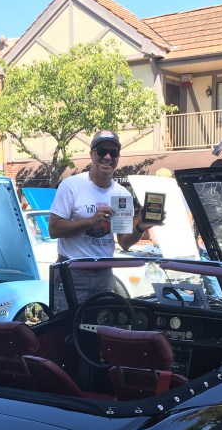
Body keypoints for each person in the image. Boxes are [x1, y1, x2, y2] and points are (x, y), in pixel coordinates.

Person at [48, 130, 159, 307]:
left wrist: (140, 227)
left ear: (118, 157)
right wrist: (91, 221)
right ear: (91, 154)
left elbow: (124, 243)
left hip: (104, 275)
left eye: (113, 153)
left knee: (101, 323)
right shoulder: (71, 186)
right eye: (102, 151)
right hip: (71, 272)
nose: (107, 157)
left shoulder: (122, 194)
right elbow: (54, 229)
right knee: (66, 324)